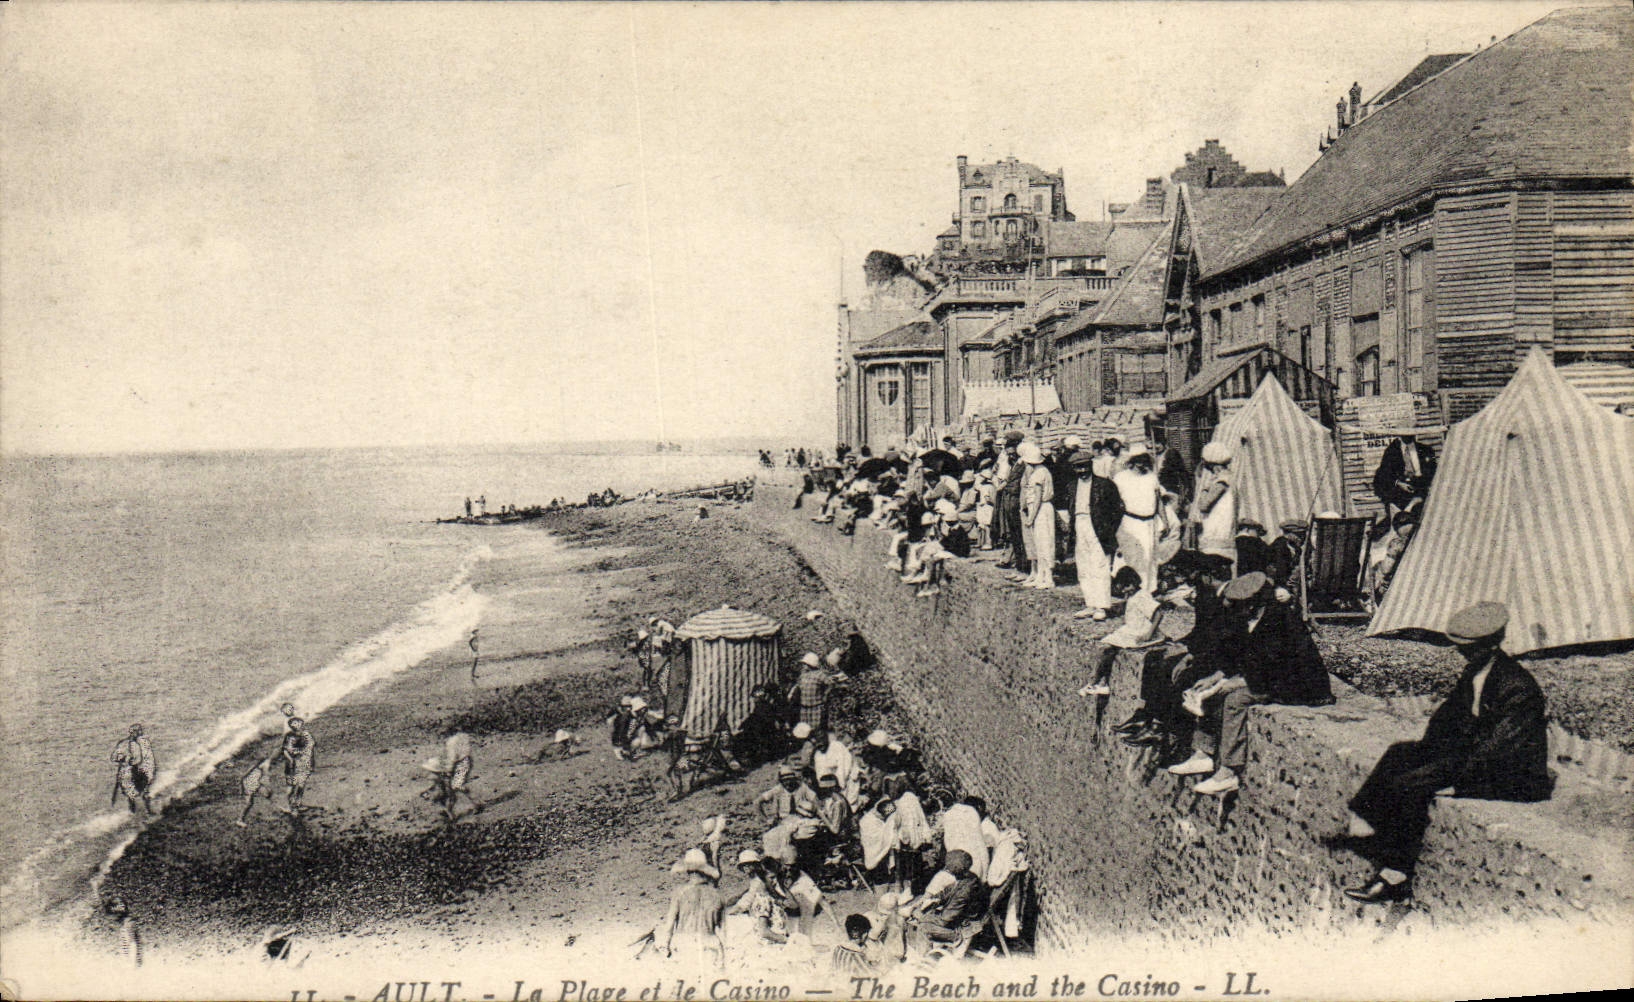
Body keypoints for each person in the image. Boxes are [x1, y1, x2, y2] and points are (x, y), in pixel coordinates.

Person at [1336, 602, 1551, 903]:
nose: (1463, 653)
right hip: (1475, 756)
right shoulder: (1477, 671)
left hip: (1511, 775)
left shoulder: (1517, 687)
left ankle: (1394, 876)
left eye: (1469, 648)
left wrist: (1454, 779)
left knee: (1412, 785)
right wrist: (1428, 751)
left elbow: (1498, 749)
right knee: (1401, 754)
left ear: (1490, 645)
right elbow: (1447, 719)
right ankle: (1370, 822)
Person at [1168, 573, 1333, 795]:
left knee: (1235, 700)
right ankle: (1203, 753)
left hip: (1299, 683)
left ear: (1253, 603)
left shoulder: (1281, 621)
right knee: (1212, 691)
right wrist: (1217, 676)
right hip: (1272, 676)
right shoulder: (1251, 618)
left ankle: (1229, 770)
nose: (1234, 611)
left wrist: (1235, 683)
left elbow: (1274, 666)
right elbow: (1240, 654)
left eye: (1239, 606)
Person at [1069, 449, 1124, 619]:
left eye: (1085, 467)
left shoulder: (1105, 484)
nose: (1082, 471)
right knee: (1084, 566)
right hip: (1080, 525)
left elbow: (1117, 510)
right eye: (1078, 468)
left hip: (1099, 528)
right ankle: (1090, 603)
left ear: (1090, 465)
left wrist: (1109, 529)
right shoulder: (1072, 486)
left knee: (1100, 565)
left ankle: (1102, 606)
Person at [654, 848, 725, 965]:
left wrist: (665, 946)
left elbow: (670, 924)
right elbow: (722, 928)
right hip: (710, 943)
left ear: (688, 871)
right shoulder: (717, 894)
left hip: (684, 943)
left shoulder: (680, 892)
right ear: (705, 871)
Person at [907, 849, 987, 946]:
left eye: (948, 868)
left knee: (923, 927)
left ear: (956, 869)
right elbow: (947, 892)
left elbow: (946, 918)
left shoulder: (965, 890)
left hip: (964, 926)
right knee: (921, 916)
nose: (946, 869)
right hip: (958, 916)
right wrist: (934, 900)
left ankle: (954, 939)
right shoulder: (968, 877)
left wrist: (923, 917)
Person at [1113, 447, 1164, 593]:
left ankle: (1149, 589)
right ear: (1132, 461)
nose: (1141, 463)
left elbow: (1158, 500)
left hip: (1149, 522)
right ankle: (1129, 588)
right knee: (1132, 556)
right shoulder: (1121, 478)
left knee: (1150, 556)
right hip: (1129, 521)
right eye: (1138, 460)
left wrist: (1164, 521)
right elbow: (1114, 502)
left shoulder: (1152, 477)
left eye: (1143, 459)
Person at [726, 849, 791, 944]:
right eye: (743, 865)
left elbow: (749, 899)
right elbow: (747, 893)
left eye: (749, 864)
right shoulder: (754, 879)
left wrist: (735, 909)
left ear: (756, 865)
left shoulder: (762, 880)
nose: (746, 867)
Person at [1371, 431, 1437, 517]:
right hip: (1400, 494)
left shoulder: (1425, 450)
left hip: (1421, 490)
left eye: (1410, 432)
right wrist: (1398, 483)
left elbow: (1433, 472)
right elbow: (1383, 474)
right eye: (1405, 433)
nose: (1408, 436)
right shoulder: (1391, 451)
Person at [1190, 442, 1236, 563]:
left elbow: (1203, 505)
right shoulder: (1228, 479)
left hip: (1217, 538)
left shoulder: (1222, 481)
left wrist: (1204, 487)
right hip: (1221, 537)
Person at [1018, 442, 1056, 589]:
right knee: (1039, 544)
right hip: (1039, 508)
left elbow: (1038, 496)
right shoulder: (1040, 471)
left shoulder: (1040, 473)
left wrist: (1031, 517)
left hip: (1042, 509)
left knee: (1045, 543)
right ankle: (1041, 575)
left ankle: (1048, 578)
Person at [995, 432, 1029, 575]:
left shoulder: (1023, 462)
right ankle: (1019, 563)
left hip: (1017, 500)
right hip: (1009, 499)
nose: (1007, 451)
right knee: (1013, 532)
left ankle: (1024, 564)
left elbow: (1017, 484)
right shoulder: (1011, 461)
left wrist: (1005, 485)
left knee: (1021, 533)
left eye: (1009, 447)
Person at [110, 724, 156, 817]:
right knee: (138, 793)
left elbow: (114, 758)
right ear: (134, 733)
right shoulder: (130, 744)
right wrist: (126, 760)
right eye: (139, 732)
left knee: (134, 794)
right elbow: (137, 760)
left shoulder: (127, 743)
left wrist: (123, 760)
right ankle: (143, 812)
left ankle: (138, 813)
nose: (140, 733)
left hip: (130, 772)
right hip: (130, 772)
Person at [788, 652, 833, 731]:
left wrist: (826, 694)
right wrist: (791, 694)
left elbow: (830, 684)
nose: (803, 666)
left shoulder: (820, 674)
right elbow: (797, 686)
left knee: (815, 729)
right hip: (804, 707)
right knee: (804, 728)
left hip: (815, 707)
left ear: (810, 664)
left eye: (805, 664)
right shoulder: (803, 675)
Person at [279, 717, 315, 813]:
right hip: (293, 764)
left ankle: (298, 804)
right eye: (293, 724)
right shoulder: (289, 736)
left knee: (301, 784)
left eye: (297, 722)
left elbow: (311, 746)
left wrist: (308, 759)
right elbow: (286, 750)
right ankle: (290, 806)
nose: (295, 725)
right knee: (292, 785)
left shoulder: (306, 734)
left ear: (301, 723)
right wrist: (291, 760)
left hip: (305, 762)